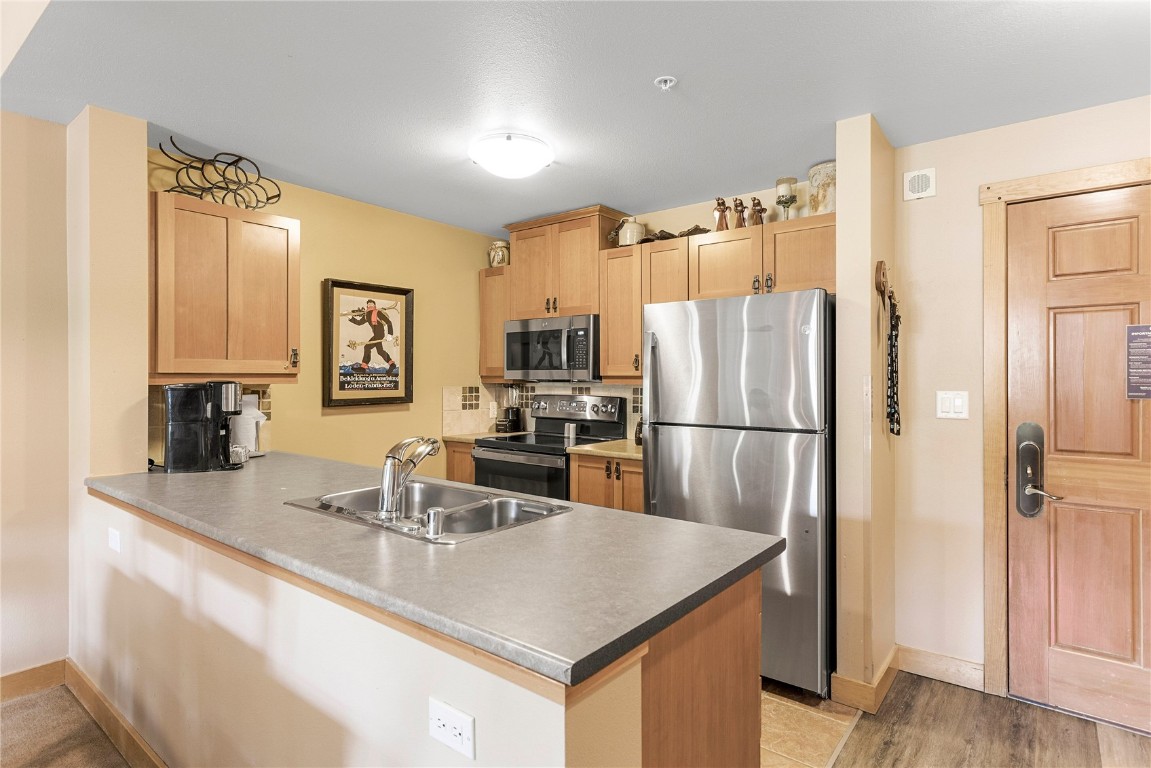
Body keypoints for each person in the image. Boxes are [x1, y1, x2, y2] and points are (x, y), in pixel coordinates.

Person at [347, 299, 397, 373]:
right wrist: (350, 318)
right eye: (368, 303)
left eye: (372, 303)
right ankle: (392, 364)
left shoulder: (377, 312)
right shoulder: (366, 315)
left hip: (379, 333)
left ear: (374, 305)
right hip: (376, 334)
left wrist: (390, 334)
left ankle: (363, 367)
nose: (370, 304)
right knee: (380, 351)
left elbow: (388, 322)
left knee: (367, 347)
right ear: (367, 306)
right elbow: (359, 323)